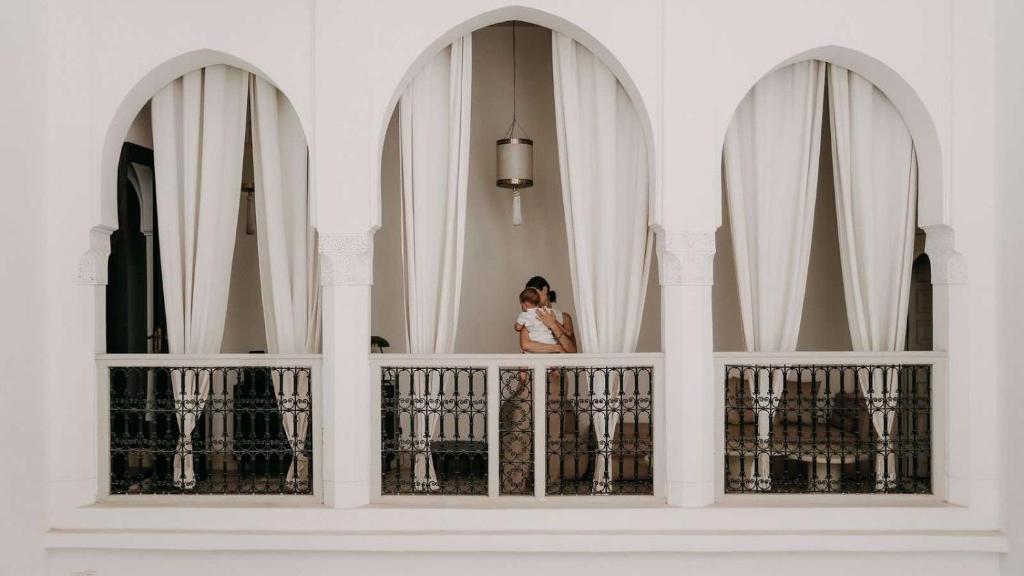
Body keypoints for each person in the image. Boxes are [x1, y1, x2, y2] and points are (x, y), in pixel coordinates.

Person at [515, 276, 577, 353]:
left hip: (556, 364)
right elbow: (525, 345)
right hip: (532, 363)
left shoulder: (565, 317)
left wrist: (553, 325)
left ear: (544, 290)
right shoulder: (530, 315)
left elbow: (573, 351)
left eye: (534, 293)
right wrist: (558, 348)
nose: (531, 298)